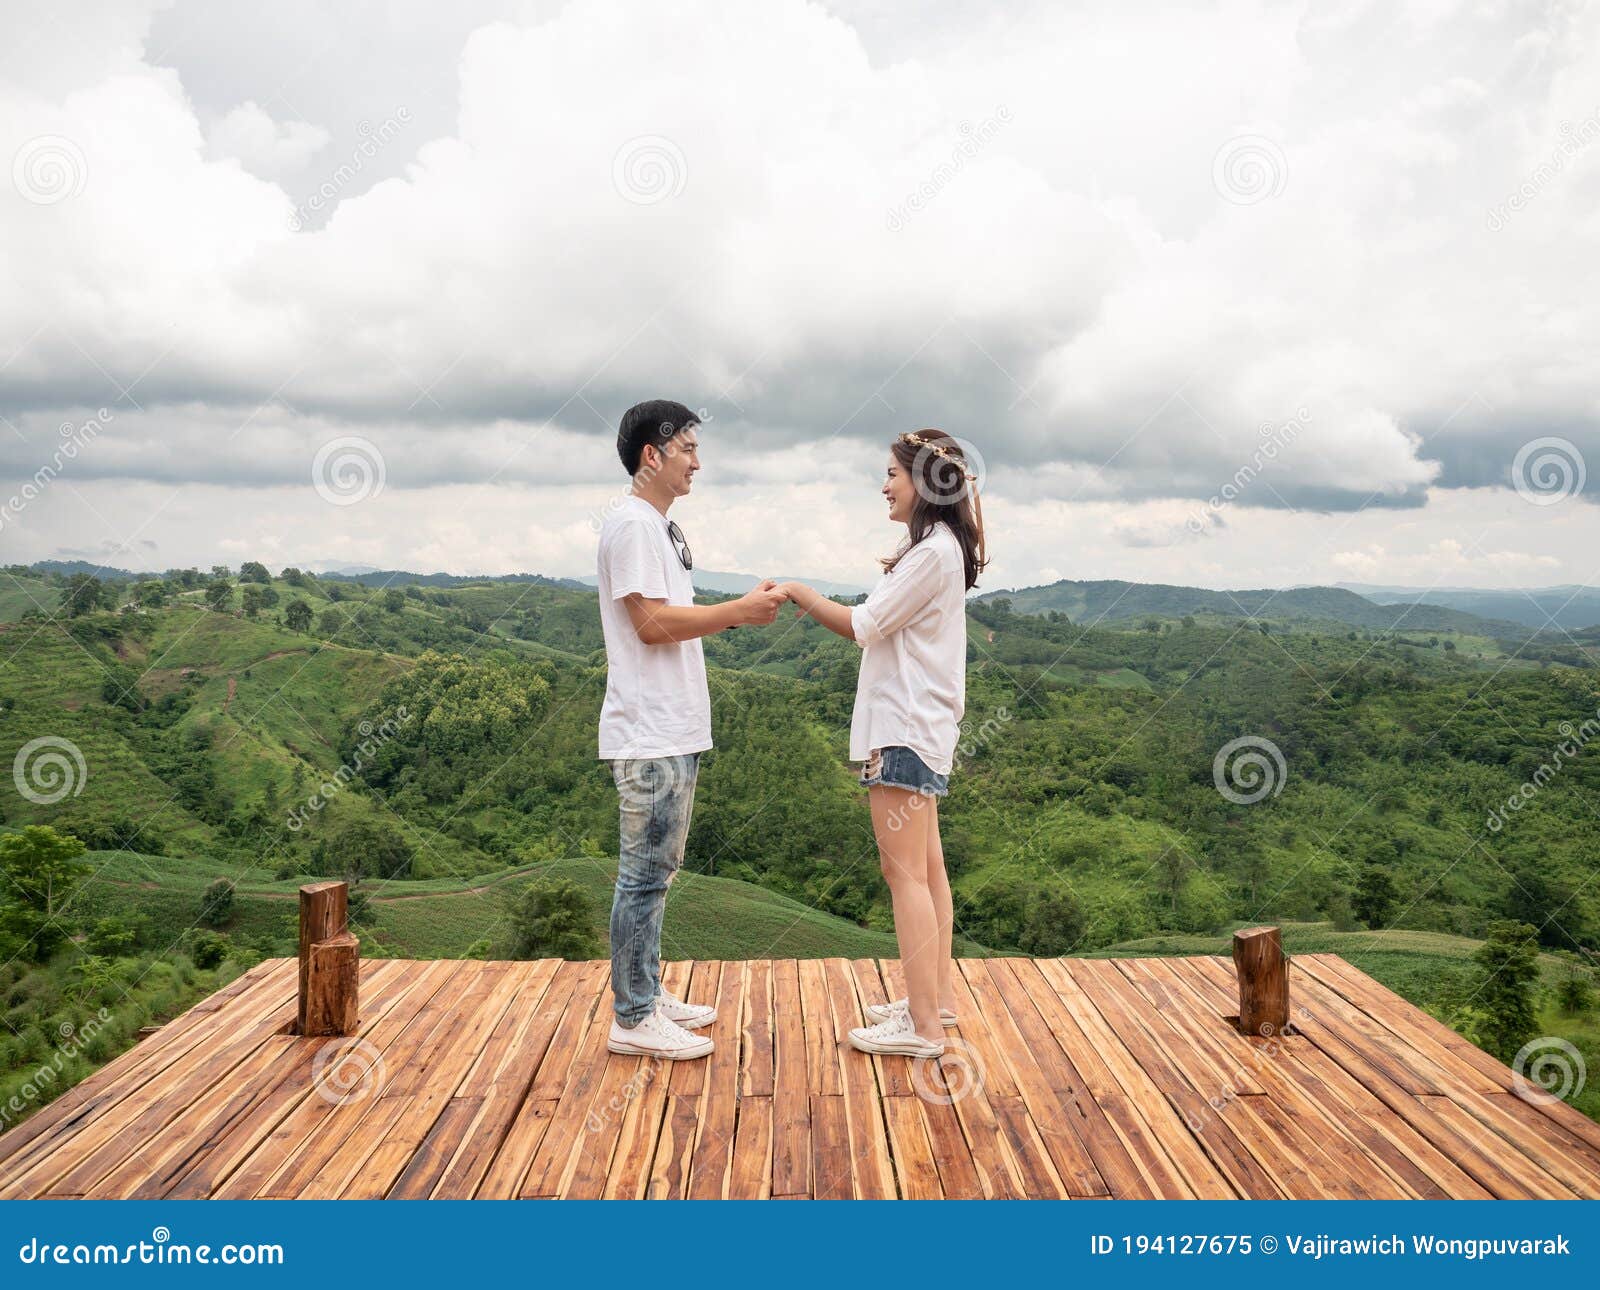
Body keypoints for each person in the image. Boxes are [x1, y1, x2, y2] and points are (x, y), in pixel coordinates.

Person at [780, 429, 986, 1057]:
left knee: (904, 878)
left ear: (923, 482)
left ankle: (921, 1027)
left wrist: (800, 593)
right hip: (924, 727)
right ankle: (936, 1002)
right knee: (927, 870)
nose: (884, 485)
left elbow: (865, 625)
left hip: (902, 729)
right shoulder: (940, 548)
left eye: (892, 474)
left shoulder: (930, 554)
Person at [597, 399, 787, 1059]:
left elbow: (665, 616)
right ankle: (633, 1015)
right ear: (654, 454)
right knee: (643, 874)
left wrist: (737, 608)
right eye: (688, 451)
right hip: (649, 731)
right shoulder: (632, 526)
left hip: (672, 727)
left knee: (659, 870)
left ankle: (645, 989)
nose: (697, 463)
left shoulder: (656, 528)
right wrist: (736, 612)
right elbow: (650, 625)